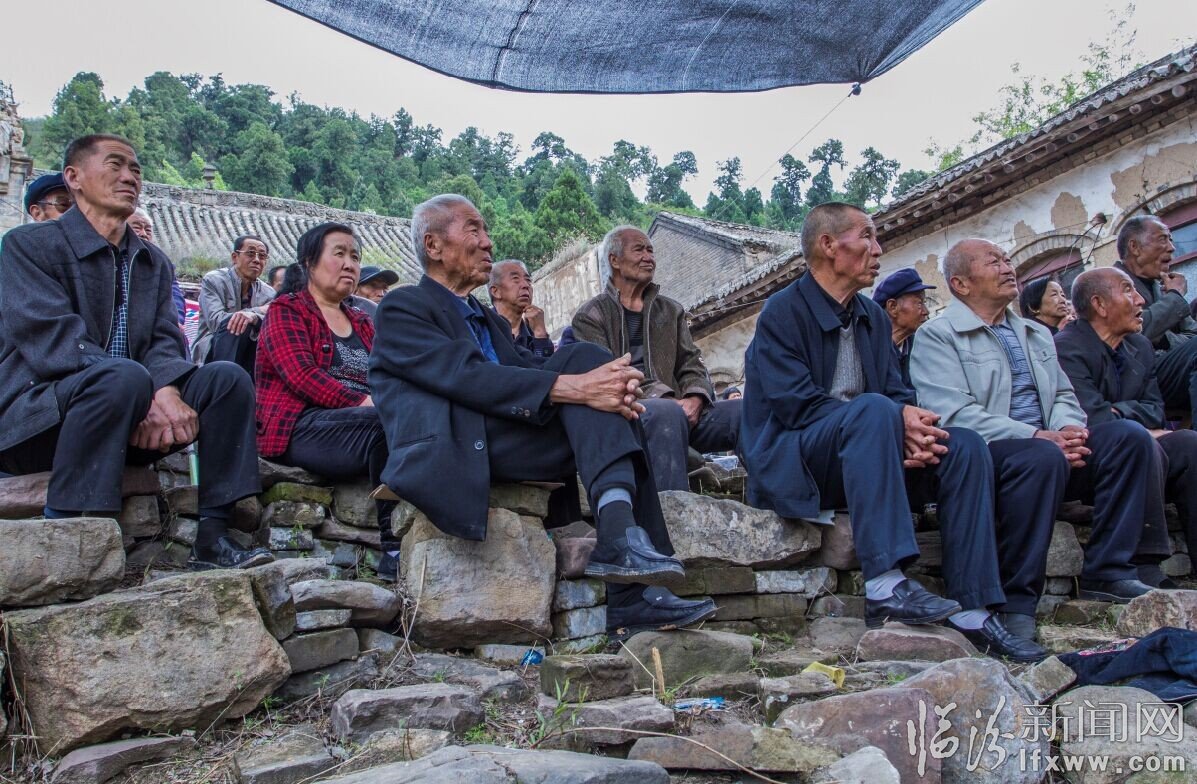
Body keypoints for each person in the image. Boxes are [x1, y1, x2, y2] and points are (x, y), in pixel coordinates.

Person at [370, 194, 716, 636]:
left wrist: (602, 384)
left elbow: (528, 368)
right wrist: (578, 388)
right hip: (456, 444)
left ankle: (624, 553)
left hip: (509, 434)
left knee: (591, 363)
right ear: (433, 245)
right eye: (474, 229)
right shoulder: (403, 308)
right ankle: (628, 575)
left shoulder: (485, 318)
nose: (488, 242)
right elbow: (463, 375)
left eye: (485, 230)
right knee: (590, 382)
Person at [742, 203, 1043, 661]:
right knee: (875, 410)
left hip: (871, 454)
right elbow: (795, 405)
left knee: (962, 445)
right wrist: (889, 418)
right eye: (867, 236)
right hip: (800, 460)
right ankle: (884, 584)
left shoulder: (872, 316)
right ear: (829, 245)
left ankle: (973, 607)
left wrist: (912, 426)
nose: (878, 249)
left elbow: (897, 393)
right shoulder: (782, 311)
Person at [0, 133, 269, 570]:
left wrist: (164, 388)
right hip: (40, 420)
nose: (129, 177)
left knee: (226, 380)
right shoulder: (28, 246)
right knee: (122, 377)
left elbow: (165, 340)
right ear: (74, 177)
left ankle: (213, 536)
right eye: (115, 165)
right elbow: (52, 340)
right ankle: (72, 532)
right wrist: (143, 390)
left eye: (136, 169)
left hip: (135, 418)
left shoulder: (152, 261)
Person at [911, 238, 1165, 605]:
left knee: (1130, 438)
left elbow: (1063, 394)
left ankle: (1109, 571)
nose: (1008, 268)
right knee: (1040, 456)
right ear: (960, 284)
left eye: (1007, 260)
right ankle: (1017, 601)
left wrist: (1067, 430)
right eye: (994, 262)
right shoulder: (937, 335)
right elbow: (953, 414)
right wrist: (1034, 435)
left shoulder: (1036, 334)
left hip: (1052, 448)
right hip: (995, 456)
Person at [256, 225, 401, 580]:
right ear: (309, 262)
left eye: (355, 256)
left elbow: (389, 372)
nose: (350, 264)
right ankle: (393, 547)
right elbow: (301, 375)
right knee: (386, 423)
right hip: (302, 425)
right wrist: (365, 401)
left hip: (360, 419)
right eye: (339, 253)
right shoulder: (286, 310)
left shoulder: (363, 322)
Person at [572, 226, 740, 492]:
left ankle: (772, 501)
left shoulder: (671, 310)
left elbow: (692, 363)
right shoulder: (591, 316)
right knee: (666, 413)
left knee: (744, 411)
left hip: (682, 411)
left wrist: (695, 398)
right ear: (614, 260)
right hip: (630, 414)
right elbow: (610, 377)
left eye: (651, 251)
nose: (648, 257)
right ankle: (672, 511)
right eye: (639, 250)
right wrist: (667, 399)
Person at [1055, 267, 1190, 583]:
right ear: (1100, 304)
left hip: (1135, 442)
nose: (1141, 300)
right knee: (1134, 437)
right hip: (1088, 456)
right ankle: (1141, 563)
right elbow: (1090, 417)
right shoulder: (1066, 347)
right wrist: (1134, 421)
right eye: (1128, 290)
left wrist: (1121, 412)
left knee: (1188, 443)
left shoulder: (1139, 346)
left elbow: (1155, 411)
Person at [1114, 216, 1197, 416]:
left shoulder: (1162, 286)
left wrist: (1165, 339)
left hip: (1176, 367)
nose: (1172, 248)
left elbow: (1192, 334)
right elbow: (1134, 335)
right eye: (1162, 239)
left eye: (1171, 240)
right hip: (1139, 378)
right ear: (1135, 247)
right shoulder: (1110, 285)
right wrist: (1175, 296)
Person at [191, 235, 276, 375]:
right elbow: (216, 321)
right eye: (250, 253)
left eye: (262, 256)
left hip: (250, 352)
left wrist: (255, 318)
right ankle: (224, 378)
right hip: (212, 349)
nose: (256, 260)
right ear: (235, 257)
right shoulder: (214, 280)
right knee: (239, 323)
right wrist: (255, 312)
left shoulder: (269, 293)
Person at [872, 268, 935, 387]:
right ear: (893, 307)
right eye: (919, 303)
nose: (926, 311)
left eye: (924, 303)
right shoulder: (871, 349)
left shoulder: (919, 346)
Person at [127, 207, 187, 329]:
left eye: (148, 230)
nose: (143, 234)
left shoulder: (162, 264)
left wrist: (176, 320)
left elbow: (175, 296)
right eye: (137, 228)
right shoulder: (113, 261)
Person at [488, 259, 554, 358]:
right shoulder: (482, 329)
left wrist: (540, 334)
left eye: (528, 280)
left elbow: (547, 365)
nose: (526, 285)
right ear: (496, 292)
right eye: (516, 279)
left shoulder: (533, 333)